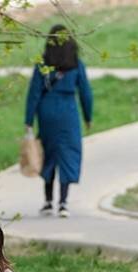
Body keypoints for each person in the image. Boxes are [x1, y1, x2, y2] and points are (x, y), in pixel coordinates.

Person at [25, 24, 93, 218]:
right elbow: (86, 93)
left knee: (49, 153)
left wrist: (29, 119)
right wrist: (88, 116)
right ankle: (63, 203)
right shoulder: (76, 64)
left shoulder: (42, 64)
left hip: (46, 113)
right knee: (67, 153)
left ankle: (47, 202)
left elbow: (34, 93)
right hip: (68, 113)